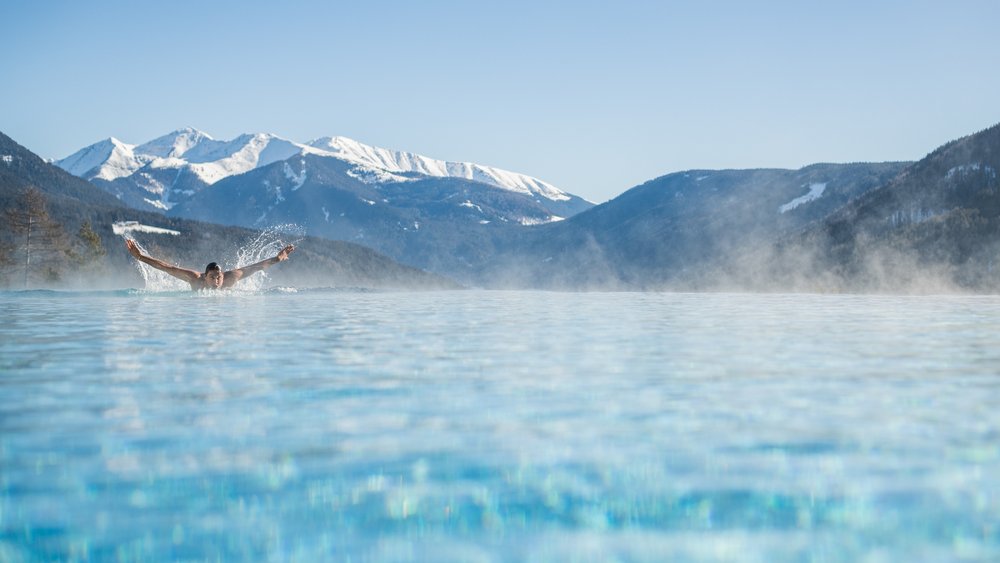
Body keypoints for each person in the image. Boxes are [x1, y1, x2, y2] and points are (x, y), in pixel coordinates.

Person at [125, 238, 295, 290]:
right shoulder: (195, 279)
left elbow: (255, 267)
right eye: (212, 277)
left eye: (218, 277)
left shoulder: (231, 278)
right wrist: (140, 256)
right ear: (205, 277)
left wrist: (277, 259)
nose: (216, 281)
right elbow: (166, 267)